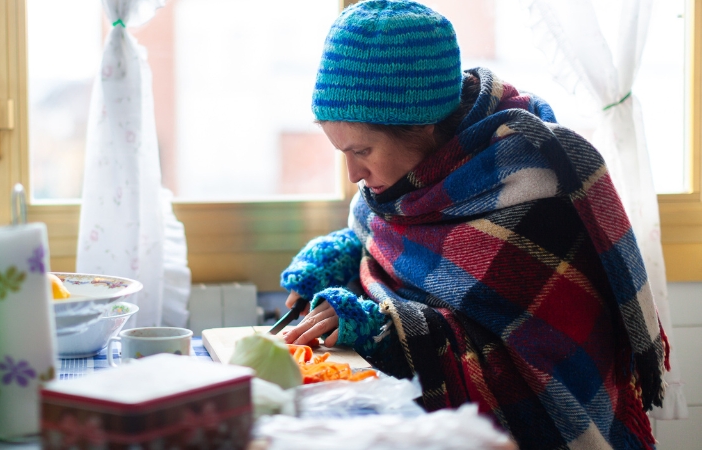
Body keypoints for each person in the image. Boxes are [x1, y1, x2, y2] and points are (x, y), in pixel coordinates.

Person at [280, 1, 670, 449]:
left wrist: (386, 329)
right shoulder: (406, 186)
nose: (353, 176)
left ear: (420, 126)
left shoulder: (534, 194)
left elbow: (518, 373)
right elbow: (389, 235)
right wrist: (344, 249)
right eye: (341, 152)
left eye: (362, 152)